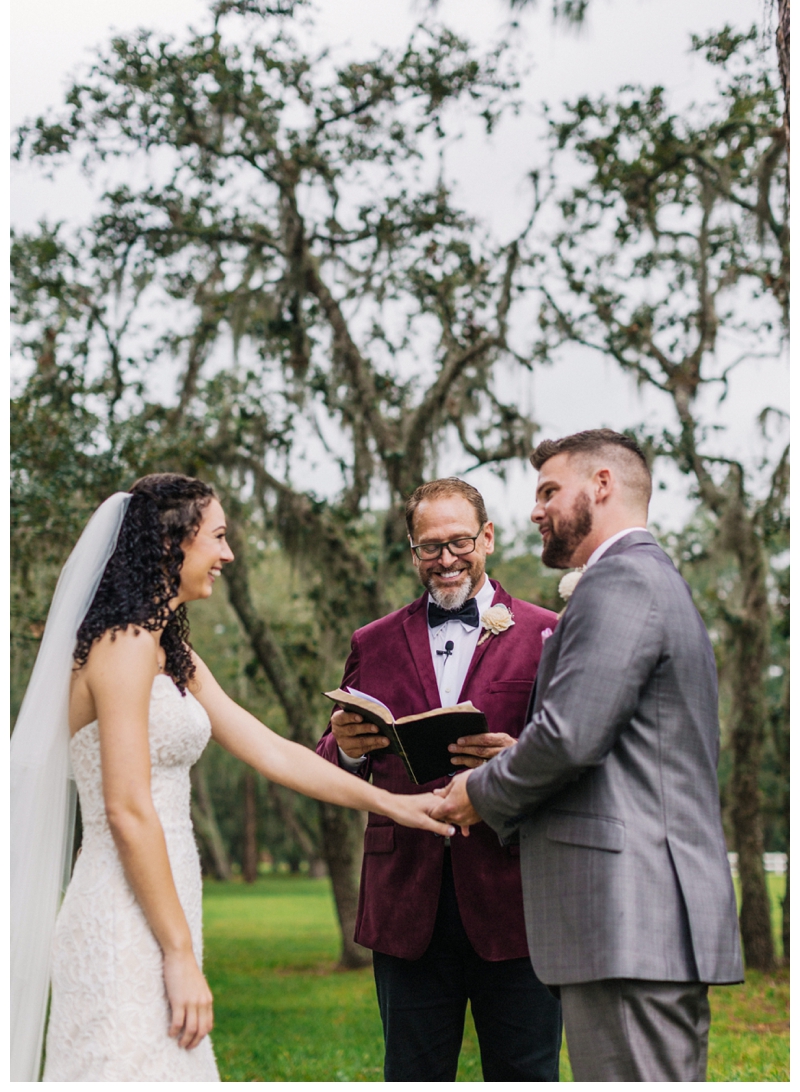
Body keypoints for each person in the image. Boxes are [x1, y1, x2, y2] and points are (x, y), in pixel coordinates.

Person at [10, 474, 454, 1082]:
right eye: (217, 537)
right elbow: (126, 808)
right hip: (121, 915)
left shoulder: (171, 652)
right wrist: (177, 954)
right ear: (173, 543)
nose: (228, 554)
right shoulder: (123, 644)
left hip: (164, 905)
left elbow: (274, 751)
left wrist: (398, 804)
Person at [433, 430, 744, 1082]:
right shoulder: (648, 580)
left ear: (601, 485)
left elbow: (570, 737)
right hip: (637, 921)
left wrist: (478, 792)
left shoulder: (621, 580)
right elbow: (620, 744)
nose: (536, 509)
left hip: (633, 914)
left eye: (549, 490)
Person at [316, 477, 562, 1082]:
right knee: (413, 1074)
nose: (446, 560)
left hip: (516, 898)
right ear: (412, 550)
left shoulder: (546, 632)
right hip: (406, 903)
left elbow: (574, 752)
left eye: (459, 542)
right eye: (430, 547)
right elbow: (324, 763)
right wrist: (345, 750)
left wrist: (517, 758)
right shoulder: (371, 642)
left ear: (488, 538)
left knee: (526, 1073)